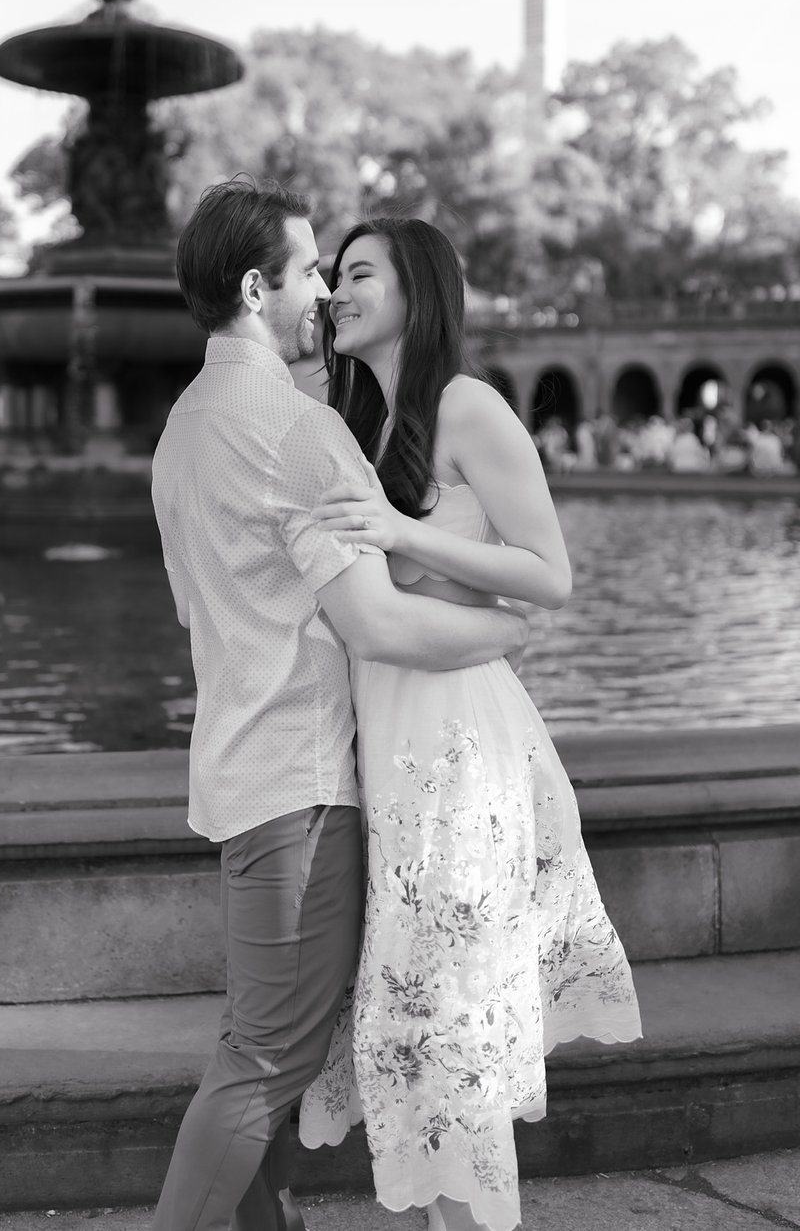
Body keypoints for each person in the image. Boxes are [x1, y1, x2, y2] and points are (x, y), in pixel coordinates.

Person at [150, 182, 528, 1231]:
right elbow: (379, 625)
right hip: (304, 791)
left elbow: (191, 608)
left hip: (234, 771)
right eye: (310, 269)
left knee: (264, 1044)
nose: (321, 289)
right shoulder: (298, 430)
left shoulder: (179, 431)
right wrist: (506, 629)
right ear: (253, 286)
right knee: (266, 1060)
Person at [299, 218, 642, 1231]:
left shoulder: (466, 406)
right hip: (382, 746)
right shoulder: (351, 417)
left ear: (418, 288)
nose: (335, 291)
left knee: (447, 1011)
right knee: (409, 1013)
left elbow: (552, 577)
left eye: (359, 273)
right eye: (331, 275)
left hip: (458, 746)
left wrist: (406, 533)